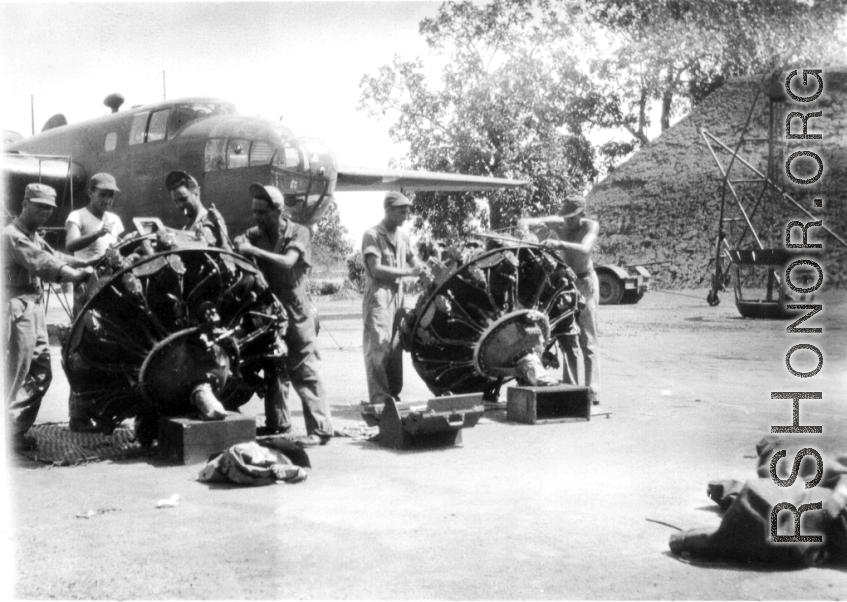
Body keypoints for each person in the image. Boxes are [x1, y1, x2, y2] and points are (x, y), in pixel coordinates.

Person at [233, 183, 332, 447]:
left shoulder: (299, 232)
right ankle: (278, 422)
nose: (257, 217)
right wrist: (240, 243)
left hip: (296, 309)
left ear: (278, 211)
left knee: (304, 368)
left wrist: (252, 251)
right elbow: (239, 242)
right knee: (274, 366)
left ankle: (321, 430)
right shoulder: (257, 233)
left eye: (262, 212)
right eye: (254, 212)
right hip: (269, 310)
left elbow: (288, 262)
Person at [4, 184, 94, 452]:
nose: (45, 212)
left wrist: (91, 261)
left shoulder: (32, 235)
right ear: (24, 204)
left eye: (49, 208)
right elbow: (41, 262)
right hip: (16, 308)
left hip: (33, 308)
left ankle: (13, 431)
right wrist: (75, 275)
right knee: (14, 374)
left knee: (41, 373)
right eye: (40, 206)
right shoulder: (11, 236)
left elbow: (54, 255)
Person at [518, 194, 601, 404]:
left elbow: (585, 248)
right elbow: (525, 221)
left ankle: (592, 391)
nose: (568, 222)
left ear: (582, 214)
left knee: (588, 341)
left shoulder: (591, 226)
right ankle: (572, 389)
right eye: (566, 217)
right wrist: (526, 234)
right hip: (565, 284)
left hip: (584, 283)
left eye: (573, 218)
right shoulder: (561, 223)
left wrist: (559, 243)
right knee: (567, 336)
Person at [64, 172, 125, 431]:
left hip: (110, 288)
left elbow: (118, 248)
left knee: (111, 347)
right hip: (85, 287)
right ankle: (78, 416)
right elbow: (70, 245)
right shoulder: (77, 216)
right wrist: (98, 233)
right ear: (90, 192)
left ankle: (106, 411)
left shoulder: (114, 219)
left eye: (111, 195)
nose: (108, 200)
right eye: (103, 194)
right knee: (83, 348)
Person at [361, 191, 424, 406]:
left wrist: (424, 269)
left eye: (408, 212)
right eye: (401, 212)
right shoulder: (372, 235)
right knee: (379, 346)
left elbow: (415, 262)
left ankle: (393, 393)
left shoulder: (403, 236)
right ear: (388, 210)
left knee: (396, 346)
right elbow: (376, 269)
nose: (406, 216)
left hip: (398, 297)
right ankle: (380, 398)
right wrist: (409, 273)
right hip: (379, 296)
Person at [165, 171, 230, 250]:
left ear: (196, 194)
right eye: (176, 201)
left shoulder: (209, 219)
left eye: (183, 199)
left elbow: (203, 240)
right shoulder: (186, 227)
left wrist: (168, 232)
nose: (180, 205)